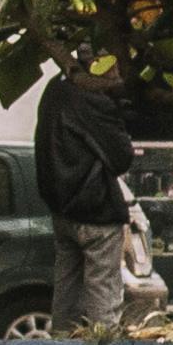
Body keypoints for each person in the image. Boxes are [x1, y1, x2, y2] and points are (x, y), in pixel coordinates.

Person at [33, 64, 137, 331]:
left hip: (62, 209)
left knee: (67, 292)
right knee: (103, 295)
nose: (118, 74)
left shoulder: (55, 90)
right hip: (97, 209)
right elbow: (121, 158)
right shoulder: (94, 102)